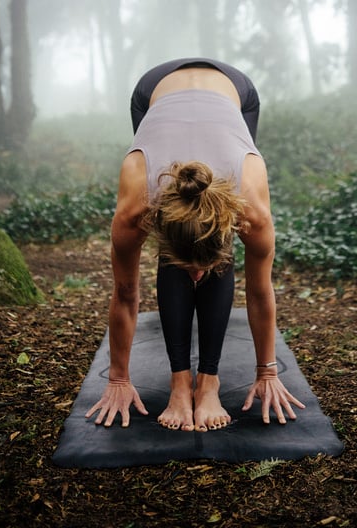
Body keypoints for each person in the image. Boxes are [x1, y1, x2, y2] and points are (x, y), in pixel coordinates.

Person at [85, 58, 305, 432]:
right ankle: (179, 382)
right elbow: (124, 293)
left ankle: (209, 383)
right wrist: (118, 378)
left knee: (200, 249)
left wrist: (267, 371)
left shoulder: (249, 204)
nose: (198, 275)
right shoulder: (137, 204)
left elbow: (259, 290)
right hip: (154, 89)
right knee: (182, 241)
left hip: (233, 90)